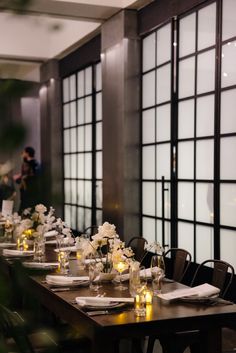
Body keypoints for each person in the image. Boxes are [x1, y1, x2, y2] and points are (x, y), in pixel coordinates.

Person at [14, 146, 41, 213]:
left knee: (27, 206)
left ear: (27, 153)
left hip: (29, 188)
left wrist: (21, 178)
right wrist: (19, 175)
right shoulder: (32, 163)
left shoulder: (30, 163)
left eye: (23, 152)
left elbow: (29, 175)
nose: (22, 154)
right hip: (29, 188)